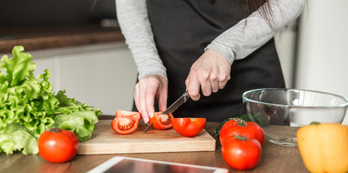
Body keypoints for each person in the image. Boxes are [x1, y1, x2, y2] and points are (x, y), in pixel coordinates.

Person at [116, 0, 305, 123]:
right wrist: (150, 68)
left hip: (251, 96)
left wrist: (224, 48)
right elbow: (130, 4)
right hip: (166, 94)